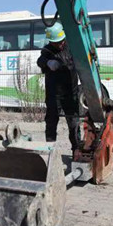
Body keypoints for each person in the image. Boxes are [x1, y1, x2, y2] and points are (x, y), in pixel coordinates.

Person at [37, 22, 81, 158]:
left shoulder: (71, 47)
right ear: (51, 41)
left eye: (61, 41)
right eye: (57, 43)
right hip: (53, 95)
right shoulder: (47, 51)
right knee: (51, 122)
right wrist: (47, 63)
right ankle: (51, 151)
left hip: (70, 93)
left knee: (74, 123)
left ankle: (76, 150)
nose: (60, 44)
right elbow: (40, 60)